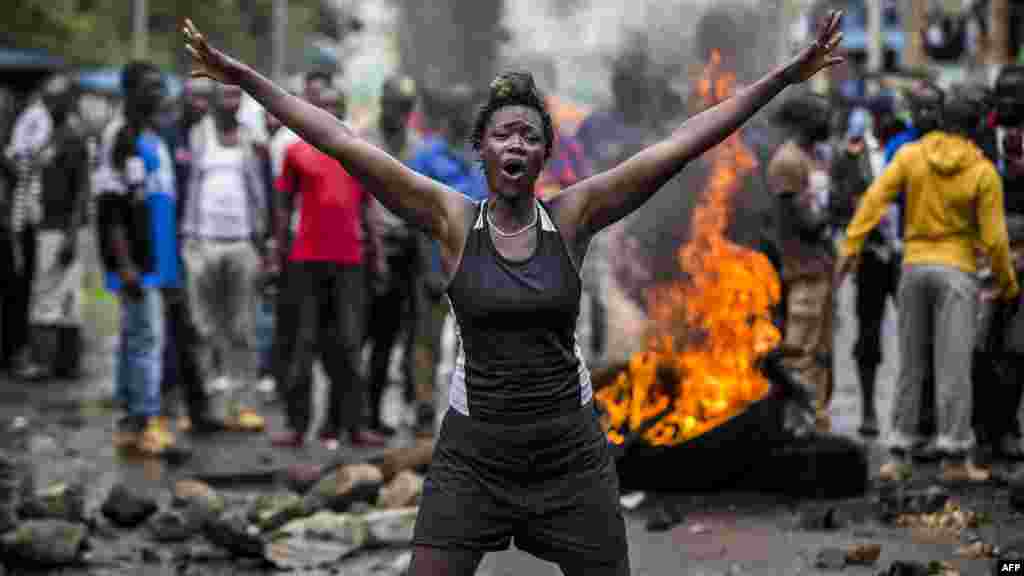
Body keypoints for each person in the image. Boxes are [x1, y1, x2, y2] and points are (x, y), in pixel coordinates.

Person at [184, 11, 843, 574]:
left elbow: (681, 143)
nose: (517, 144)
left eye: (530, 135)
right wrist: (246, 80)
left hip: (570, 454)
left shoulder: (574, 216)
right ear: (483, 148)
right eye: (504, 133)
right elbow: (338, 140)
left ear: (543, 154)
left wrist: (785, 76)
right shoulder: (450, 219)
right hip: (475, 454)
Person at [837, 92, 1020, 485]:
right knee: (953, 367)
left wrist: (851, 246)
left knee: (911, 364)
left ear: (940, 121)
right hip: (958, 271)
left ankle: (899, 454)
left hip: (914, 266)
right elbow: (995, 239)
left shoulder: (911, 156)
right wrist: (1007, 282)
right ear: (976, 127)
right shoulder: (983, 171)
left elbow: (874, 200)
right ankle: (954, 458)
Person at [268, 78, 386, 450]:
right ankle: (297, 425)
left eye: (337, 106)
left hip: (349, 260)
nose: (331, 112)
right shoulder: (295, 152)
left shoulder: (358, 154)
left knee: (350, 344)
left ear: (343, 111)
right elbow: (283, 207)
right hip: (306, 260)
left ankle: (355, 426)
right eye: (325, 106)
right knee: (303, 344)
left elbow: (369, 209)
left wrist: (378, 255)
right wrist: (277, 253)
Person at [94, 61, 179, 455]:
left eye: (161, 86)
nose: (159, 93)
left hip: (158, 259)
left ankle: (131, 421)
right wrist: (125, 264)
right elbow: (110, 207)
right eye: (150, 87)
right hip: (136, 263)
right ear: (130, 92)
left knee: (135, 337)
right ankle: (144, 421)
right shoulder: (120, 136)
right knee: (147, 339)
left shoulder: (152, 135)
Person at [182, 83, 268, 432]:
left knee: (242, 328)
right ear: (214, 101)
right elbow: (187, 184)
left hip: (242, 244)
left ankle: (242, 405)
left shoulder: (250, 140)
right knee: (203, 329)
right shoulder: (196, 136)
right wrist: (187, 238)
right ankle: (204, 407)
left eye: (237, 96)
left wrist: (264, 239)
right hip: (202, 242)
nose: (232, 102)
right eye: (226, 96)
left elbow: (261, 191)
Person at [767, 92, 836, 433]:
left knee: (821, 355)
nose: (829, 123)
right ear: (803, 121)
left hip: (823, 269)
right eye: (823, 116)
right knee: (800, 354)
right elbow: (803, 222)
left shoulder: (815, 157)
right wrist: (839, 209)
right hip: (802, 271)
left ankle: (817, 422)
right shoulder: (787, 162)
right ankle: (796, 426)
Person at [14, 76, 89, 381]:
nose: (49, 104)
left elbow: (82, 190)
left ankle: (44, 363)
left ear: (67, 101)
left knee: (49, 295)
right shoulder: (53, 136)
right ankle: (65, 364)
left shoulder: (72, 137)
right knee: (65, 296)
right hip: (51, 225)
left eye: (55, 99)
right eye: (47, 98)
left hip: (61, 229)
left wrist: (71, 235)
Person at [362, 74, 424, 437]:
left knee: (391, 336)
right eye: (394, 105)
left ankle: (375, 413)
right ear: (383, 104)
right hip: (370, 249)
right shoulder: (364, 141)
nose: (399, 113)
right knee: (359, 334)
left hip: (407, 249)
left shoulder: (417, 147)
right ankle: (348, 415)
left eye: (405, 107)